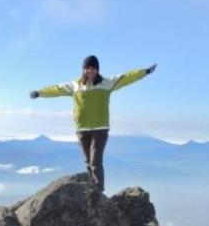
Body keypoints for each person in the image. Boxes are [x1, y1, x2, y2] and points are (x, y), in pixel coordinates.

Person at [30, 55, 156, 192]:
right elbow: (56, 89)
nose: (90, 71)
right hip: (82, 128)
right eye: (87, 68)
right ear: (83, 70)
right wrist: (39, 93)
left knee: (95, 161)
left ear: (97, 69)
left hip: (100, 128)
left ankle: (98, 190)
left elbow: (127, 78)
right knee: (88, 161)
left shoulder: (107, 83)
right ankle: (92, 188)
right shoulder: (75, 86)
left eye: (93, 68)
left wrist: (145, 72)